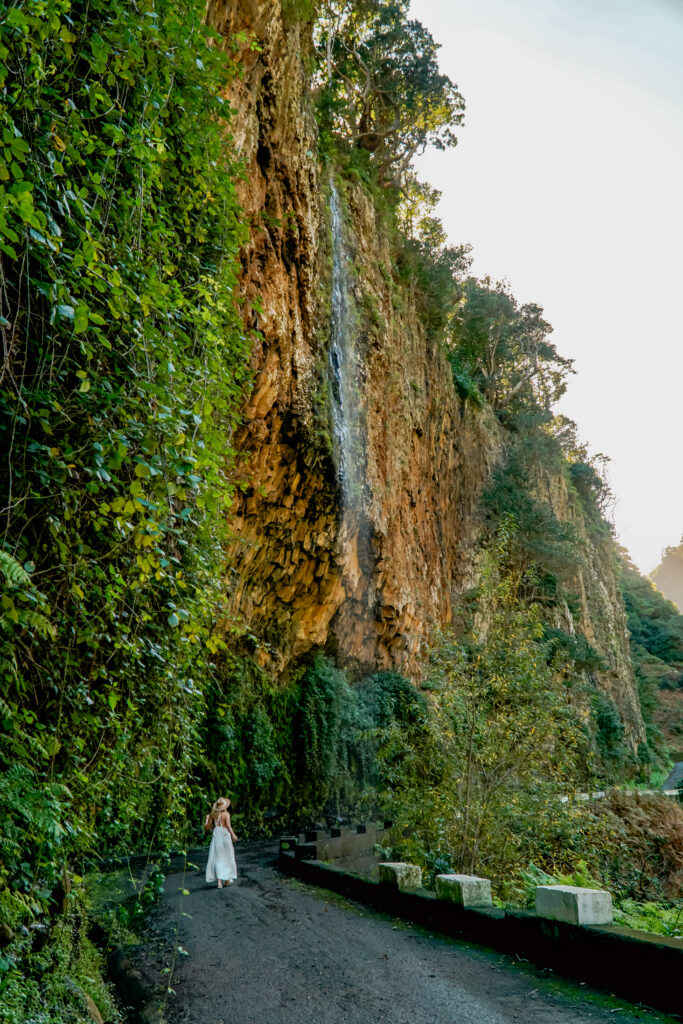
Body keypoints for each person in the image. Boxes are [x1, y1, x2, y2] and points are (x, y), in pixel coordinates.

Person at [204, 797, 238, 888]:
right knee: (227, 856)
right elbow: (228, 826)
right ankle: (227, 879)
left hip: (217, 835)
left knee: (218, 857)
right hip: (225, 835)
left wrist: (207, 819)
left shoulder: (213, 815)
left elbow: (206, 828)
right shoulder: (226, 814)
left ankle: (219, 882)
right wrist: (233, 835)